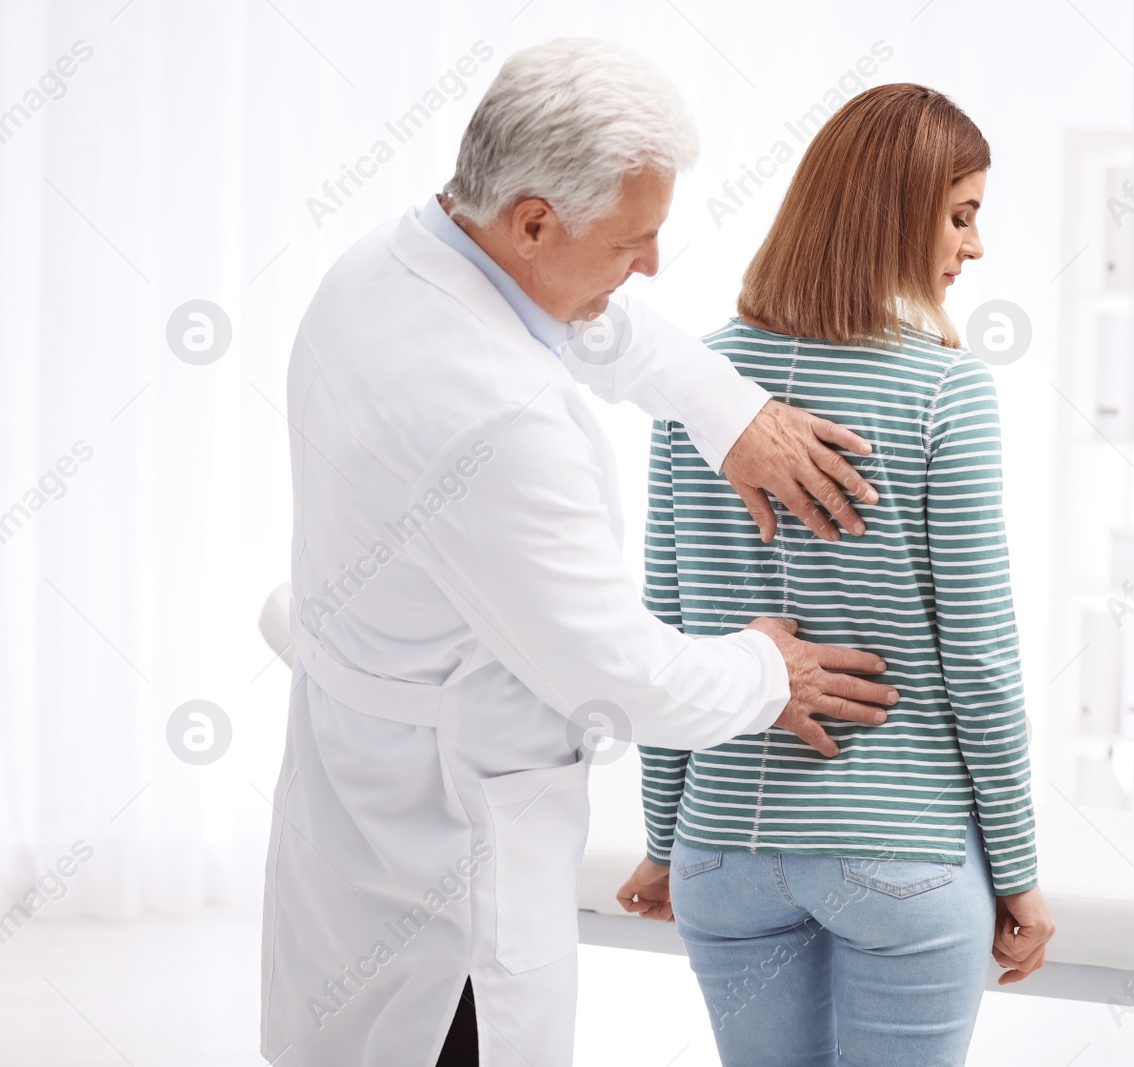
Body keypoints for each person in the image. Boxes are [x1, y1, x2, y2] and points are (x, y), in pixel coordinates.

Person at [259, 39, 903, 1067]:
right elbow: (621, 674)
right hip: (447, 876)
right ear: (532, 219)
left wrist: (723, 408)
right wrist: (764, 669)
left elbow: (582, 323)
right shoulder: (495, 420)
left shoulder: (390, 262)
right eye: (631, 240)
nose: (650, 263)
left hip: (356, 795)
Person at [615, 83, 1055, 1066]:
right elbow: (979, 659)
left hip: (722, 851)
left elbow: (668, 626)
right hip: (898, 856)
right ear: (895, 214)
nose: (972, 246)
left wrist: (662, 835)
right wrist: (1019, 872)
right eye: (960, 214)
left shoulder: (697, 377)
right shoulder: (947, 391)